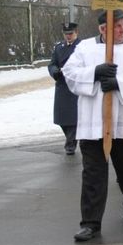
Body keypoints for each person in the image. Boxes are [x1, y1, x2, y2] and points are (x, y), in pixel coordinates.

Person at [63, 9, 123, 241]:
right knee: (93, 175)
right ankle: (90, 223)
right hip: (93, 124)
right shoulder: (85, 48)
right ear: (102, 28)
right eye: (116, 25)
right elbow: (70, 73)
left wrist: (118, 82)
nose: (122, 28)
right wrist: (95, 73)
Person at [48, 22, 81, 155]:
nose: (68, 36)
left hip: (75, 85)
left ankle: (71, 142)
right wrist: (55, 71)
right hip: (62, 84)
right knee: (62, 117)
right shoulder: (59, 47)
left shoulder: (82, 47)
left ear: (76, 33)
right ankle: (70, 137)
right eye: (66, 34)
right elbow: (52, 64)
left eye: (71, 33)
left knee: (73, 117)